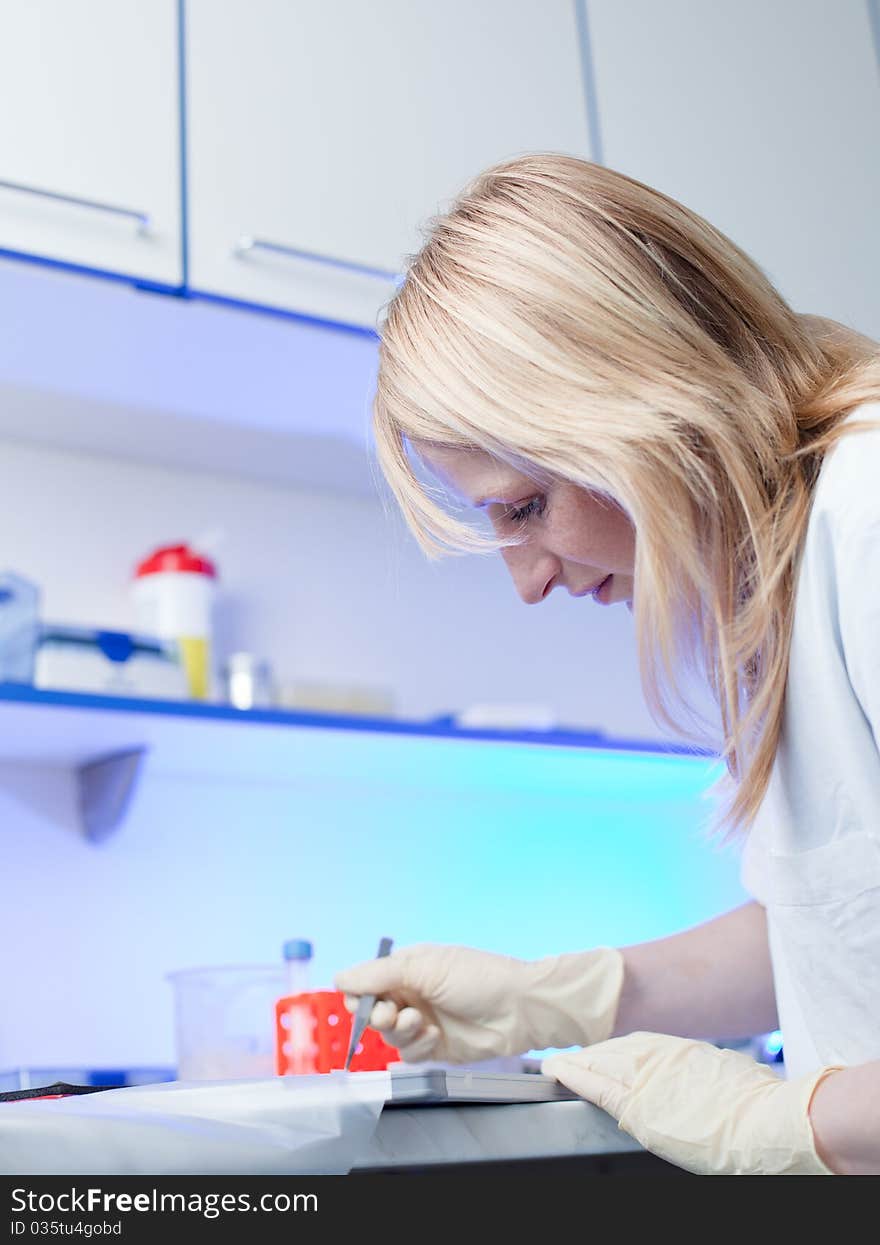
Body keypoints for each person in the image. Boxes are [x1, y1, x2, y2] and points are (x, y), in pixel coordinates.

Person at [334, 154, 880, 1176]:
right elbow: (832, 934)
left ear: (637, 397)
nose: (529, 582)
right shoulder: (783, 581)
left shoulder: (869, 513)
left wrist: (791, 1124)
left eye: (525, 508)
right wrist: (559, 995)